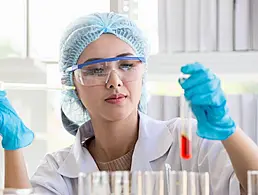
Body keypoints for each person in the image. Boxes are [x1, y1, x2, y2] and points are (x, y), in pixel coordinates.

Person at [2, 12, 258, 195]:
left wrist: (228, 129)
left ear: (143, 74)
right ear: (73, 85)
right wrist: (13, 147)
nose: (114, 81)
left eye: (126, 65)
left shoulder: (188, 140)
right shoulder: (58, 171)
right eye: (95, 69)